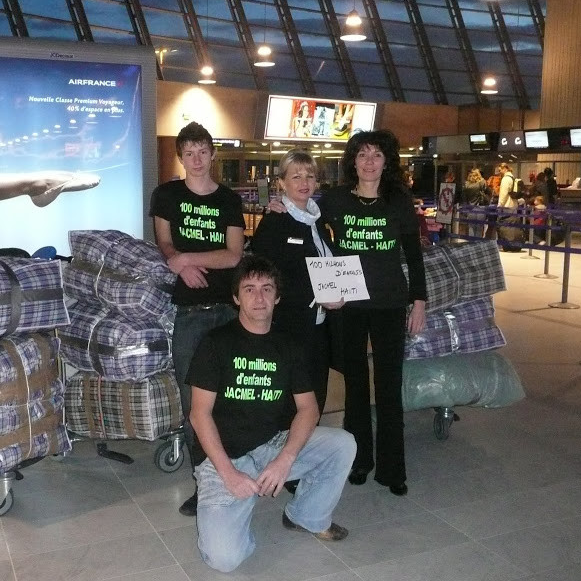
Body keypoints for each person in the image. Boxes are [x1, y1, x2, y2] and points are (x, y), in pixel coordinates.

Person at [187, 255, 356, 572]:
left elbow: (308, 408)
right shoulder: (215, 343)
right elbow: (199, 415)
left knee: (343, 443)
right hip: (223, 458)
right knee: (224, 560)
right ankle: (241, 503)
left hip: (271, 445)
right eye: (249, 289)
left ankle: (306, 516)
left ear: (277, 297)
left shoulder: (288, 345)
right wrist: (229, 474)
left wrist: (285, 459)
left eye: (267, 288)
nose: (259, 297)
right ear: (236, 297)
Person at [319, 130, 427, 494]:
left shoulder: (398, 201)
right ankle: (359, 459)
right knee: (355, 386)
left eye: (376, 155)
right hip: (347, 305)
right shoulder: (334, 200)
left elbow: (413, 255)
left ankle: (393, 469)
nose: (368, 161)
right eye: (362, 154)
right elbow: (309, 229)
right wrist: (279, 205)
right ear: (352, 160)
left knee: (388, 386)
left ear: (386, 162)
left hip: (389, 303)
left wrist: (420, 302)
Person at [149, 121, 245, 516]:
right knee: (195, 402)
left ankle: (237, 470)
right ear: (181, 157)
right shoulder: (166, 194)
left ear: (212, 154)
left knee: (233, 396)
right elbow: (165, 242)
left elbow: (234, 255)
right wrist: (177, 261)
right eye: (188, 152)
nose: (196, 159)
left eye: (203, 151)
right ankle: (204, 481)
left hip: (227, 310)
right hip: (189, 313)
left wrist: (188, 258)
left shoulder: (228, 199)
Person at [251, 149, 343, 415]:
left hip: (318, 328)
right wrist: (315, 294)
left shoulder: (318, 221)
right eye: (296, 176)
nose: (304, 183)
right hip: (289, 329)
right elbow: (267, 281)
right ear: (282, 182)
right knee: (292, 404)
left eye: (309, 176)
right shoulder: (275, 222)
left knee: (316, 398)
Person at [462, 167, 489, 238]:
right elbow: (487, 190)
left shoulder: (466, 184)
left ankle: (471, 243)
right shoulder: (481, 183)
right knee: (479, 227)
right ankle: (477, 243)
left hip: (470, 208)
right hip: (480, 207)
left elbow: (464, 197)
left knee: (471, 227)